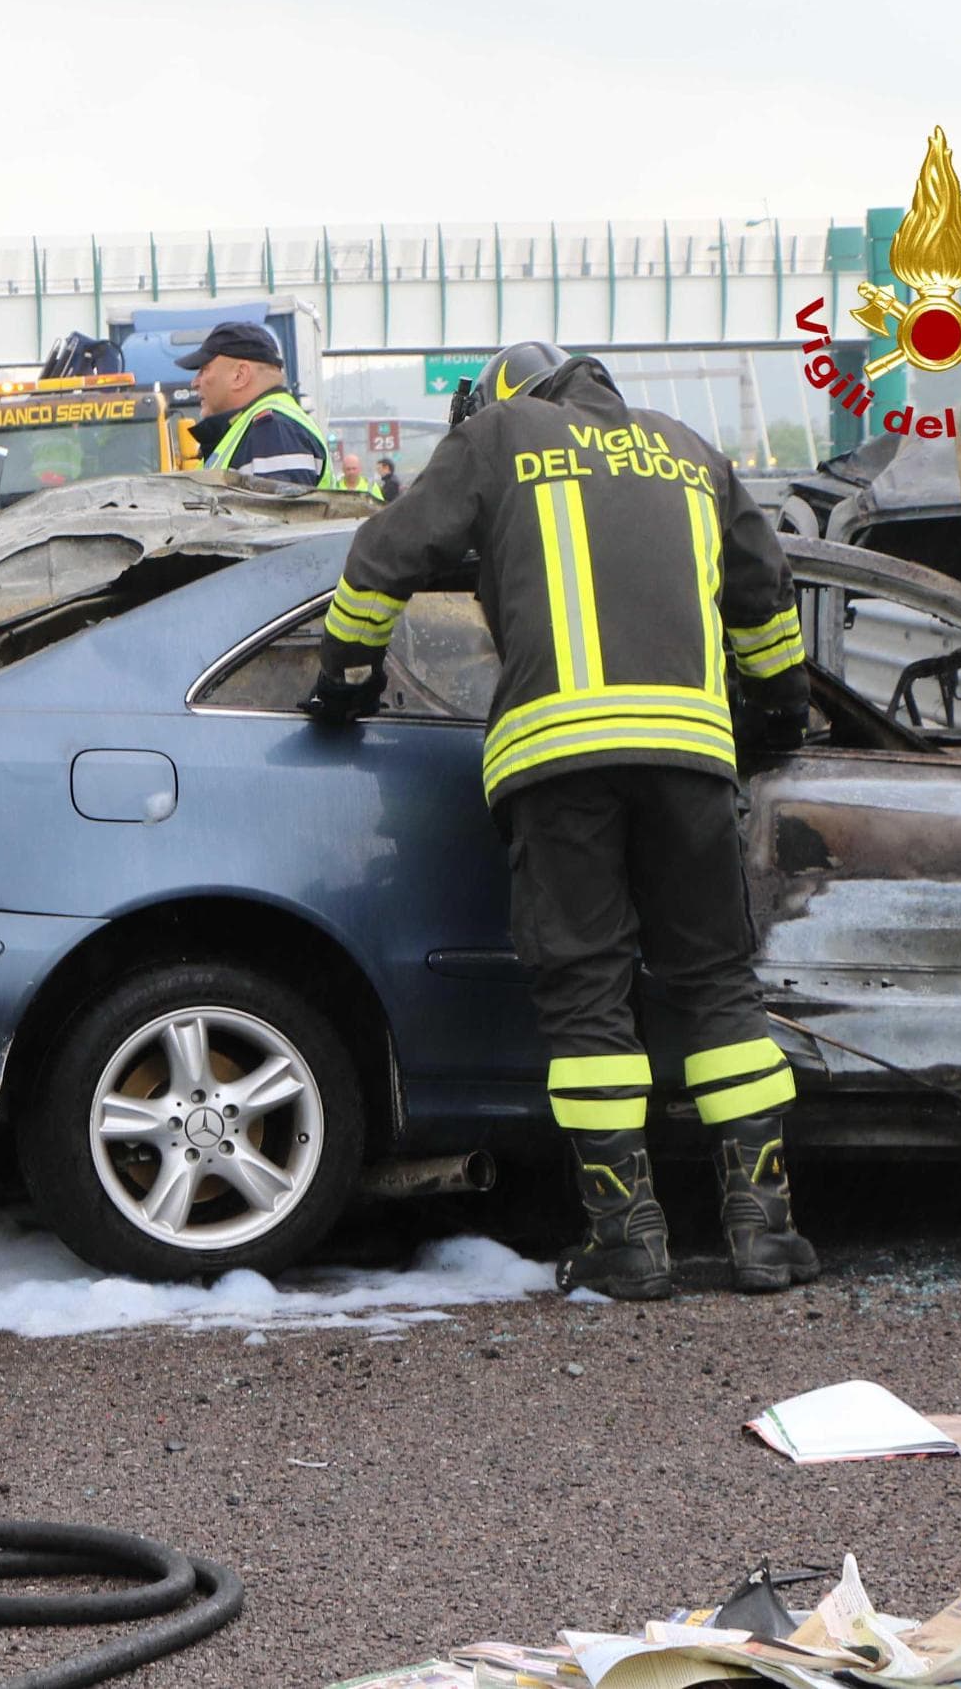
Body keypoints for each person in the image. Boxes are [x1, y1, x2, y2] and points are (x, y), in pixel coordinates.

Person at [302, 340, 819, 1301]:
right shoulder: (690, 449)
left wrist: (344, 677)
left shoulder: (500, 437)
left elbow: (383, 556)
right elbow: (764, 599)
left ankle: (629, 1238)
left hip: (558, 765)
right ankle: (766, 1233)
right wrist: (778, 710)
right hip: (690, 759)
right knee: (717, 989)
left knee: (588, 992)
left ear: (502, 398)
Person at [179, 320, 334, 488]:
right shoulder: (264, 430)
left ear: (240, 375)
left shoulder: (273, 432)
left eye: (204, 370)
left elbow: (278, 512)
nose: (195, 382)